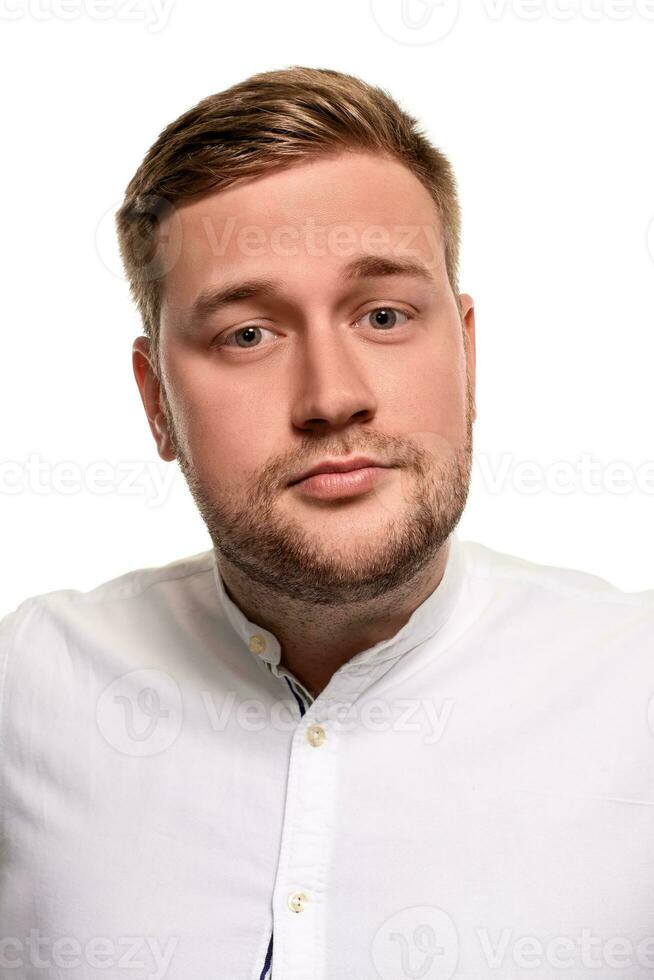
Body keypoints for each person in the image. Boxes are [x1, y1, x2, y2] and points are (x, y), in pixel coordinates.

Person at [1, 66, 652, 980]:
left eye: (383, 315)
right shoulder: (27, 689)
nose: (332, 399)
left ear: (467, 354)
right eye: (247, 335)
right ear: (156, 403)